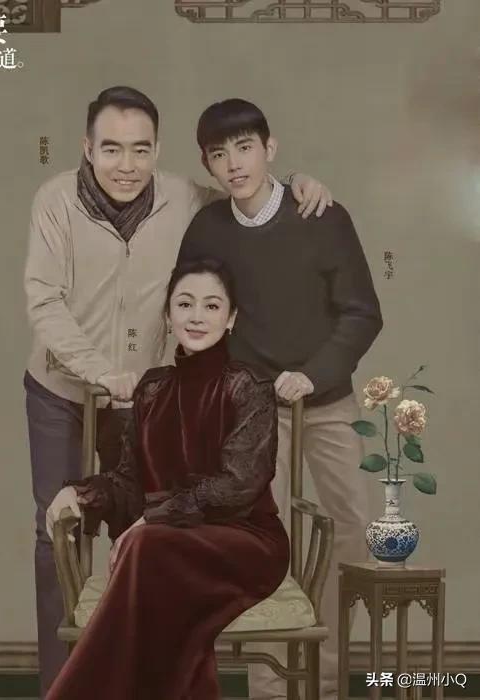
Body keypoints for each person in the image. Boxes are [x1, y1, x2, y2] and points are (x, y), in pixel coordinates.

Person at [23, 85, 333, 696]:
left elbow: (246, 191)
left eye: (141, 150)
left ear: (158, 150)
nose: (127, 165)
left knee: (144, 534)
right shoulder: (54, 200)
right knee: (57, 534)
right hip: (65, 385)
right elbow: (45, 301)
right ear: (87, 147)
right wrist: (100, 375)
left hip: (146, 390)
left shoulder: (183, 197)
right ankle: (59, 682)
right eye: (111, 149)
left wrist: (295, 182)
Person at [177, 98, 384, 700]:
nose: (234, 164)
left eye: (245, 148)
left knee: (352, 533)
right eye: (219, 155)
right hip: (253, 411)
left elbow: (362, 312)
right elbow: (194, 315)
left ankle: (330, 683)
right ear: (207, 165)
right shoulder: (207, 229)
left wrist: (313, 375)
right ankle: (270, 690)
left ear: (270, 148)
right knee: (267, 539)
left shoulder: (322, 215)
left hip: (327, 400)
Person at [45, 259, 290, 700]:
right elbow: (129, 483)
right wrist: (79, 494)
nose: (197, 316)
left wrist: (154, 518)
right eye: (185, 303)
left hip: (246, 544)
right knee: (152, 555)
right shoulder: (153, 389)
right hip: (166, 546)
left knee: (146, 546)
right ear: (168, 314)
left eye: (212, 306)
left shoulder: (249, 387)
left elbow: (238, 486)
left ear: (231, 318)